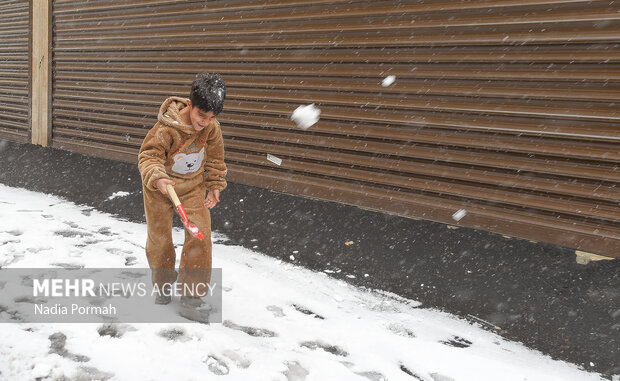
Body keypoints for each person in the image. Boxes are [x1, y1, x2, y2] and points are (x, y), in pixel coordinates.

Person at [138, 73, 227, 310]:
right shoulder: (166, 129)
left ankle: (192, 295)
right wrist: (158, 179)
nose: (206, 122)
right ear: (190, 105)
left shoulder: (211, 129)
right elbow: (148, 156)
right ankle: (163, 284)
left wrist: (215, 185)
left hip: (192, 187)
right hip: (160, 188)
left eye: (212, 117)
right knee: (160, 240)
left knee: (201, 236)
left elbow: (216, 158)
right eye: (201, 115)